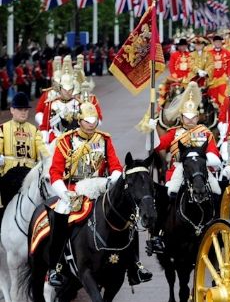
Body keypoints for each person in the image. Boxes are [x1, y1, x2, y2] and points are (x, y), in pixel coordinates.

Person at [47, 102, 152, 286]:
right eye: (87, 121)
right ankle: (56, 267)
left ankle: (135, 265)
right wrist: (64, 193)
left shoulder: (104, 139)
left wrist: (113, 180)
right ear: (80, 121)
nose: (91, 124)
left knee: (128, 214)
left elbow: (115, 166)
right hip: (74, 191)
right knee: (59, 216)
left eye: (94, 121)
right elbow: (55, 172)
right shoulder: (66, 141)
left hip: (100, 187)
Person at [147, 83, 222, 254]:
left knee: (218, 192)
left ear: (198, 117)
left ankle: (221, 226)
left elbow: (214, 155)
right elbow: (158, 148)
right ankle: (159, 234)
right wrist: (151, 132)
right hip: (178, 170)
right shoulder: (174, 133)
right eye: (187, 117)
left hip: (200, 170)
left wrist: (203, 161)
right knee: (166, 196)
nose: (190, 120)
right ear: (181, 117)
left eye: (193, 117)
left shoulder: (205, 132)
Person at [0, 93, 50, 209]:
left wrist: (49, 159)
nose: (23, 112)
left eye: (25, 110)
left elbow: (42, 150)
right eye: (19, 109)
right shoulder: (3, 128)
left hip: (28, 176)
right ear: (12, 110)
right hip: (8, 176)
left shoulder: (34, 130)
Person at [206, 35, 230, 106]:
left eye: (219, 42)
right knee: (213, 96)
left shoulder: (227, 53)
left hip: (223, 78)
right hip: (212, 79)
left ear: (221, 43)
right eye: (216, 42)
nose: (218, 43)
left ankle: (222, 110)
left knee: (222, 95)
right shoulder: (208, 53)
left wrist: (229, 75)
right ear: (213, 43)